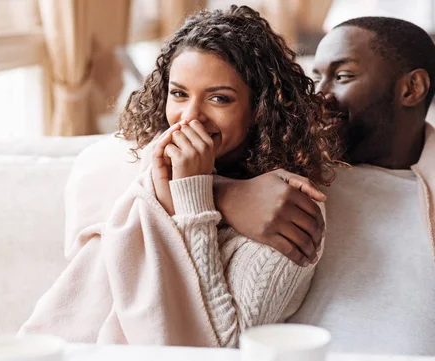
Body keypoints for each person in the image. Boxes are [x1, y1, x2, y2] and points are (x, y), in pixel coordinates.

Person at [19, 5, 339, 346]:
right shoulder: (139, 163)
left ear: (260, 109)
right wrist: (221, 192)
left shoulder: (286, 206)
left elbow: (223, 346)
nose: (189, 117)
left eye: (219, 98)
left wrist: (195, 195)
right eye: (179, 93)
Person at [219, 16, 435, 355]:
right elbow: (162, 174)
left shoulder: (423, 189)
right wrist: (225, 193)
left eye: (343, 76)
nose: (320, 96)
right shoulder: (286, 168)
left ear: (411, 89)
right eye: (317, 77)